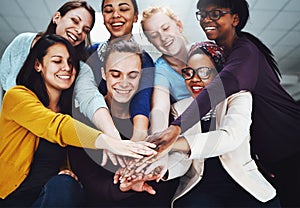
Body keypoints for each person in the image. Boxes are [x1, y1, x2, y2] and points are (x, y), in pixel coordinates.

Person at [146, 0, 300, 207]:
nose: (207, 19)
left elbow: (220, 91)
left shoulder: (245, 53)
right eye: (202, 14)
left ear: (235, 19)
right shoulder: (224, 52)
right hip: (271, 154)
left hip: (291, 143)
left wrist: (175, 129)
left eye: (216, 13)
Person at [0, 34, 156, 207]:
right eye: (57, 61)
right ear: (38, 65)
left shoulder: (71, 111)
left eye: (70, 61)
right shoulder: (16, 96)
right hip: (12, 197)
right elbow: (56, 126)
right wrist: (109, 141)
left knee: (67, 185)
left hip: (49, 196)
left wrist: (63, 169)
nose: (66, 67)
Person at [0, 0, 122, 159]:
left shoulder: (80, 69)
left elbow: (91, 99)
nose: (79, 31)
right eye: (75, 21)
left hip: (51, 145)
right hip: (17, 140)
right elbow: (7, 85)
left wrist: (113, 137)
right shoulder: (23, 43)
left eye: (86, 30)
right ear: (56, 17)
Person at [69, 40, 178, 207]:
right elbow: (89, 183)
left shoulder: (157, 120)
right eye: (115, 74)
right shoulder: (83, 120)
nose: (124, 82)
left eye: (132, 75)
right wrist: (122, 187)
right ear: (104, 74)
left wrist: (145, 178)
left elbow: (168, 182)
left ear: (141, 75)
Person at [86, 0, 154, 141]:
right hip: (94, 130)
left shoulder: (145, 60)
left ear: (135, 16)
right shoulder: (89, 54)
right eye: (109, 10)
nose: (115, 15)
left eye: (123, 9)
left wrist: (139, 134)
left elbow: (142, 98)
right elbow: (84, 92)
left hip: (129, 130)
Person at [140, 6, 191, 134]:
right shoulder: (160, 70)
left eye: (166, 28)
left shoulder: (205, 53)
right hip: (191, 127)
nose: (163, 38)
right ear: (151, 42)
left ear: (179, 25)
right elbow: (160, 108)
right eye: (154, 35)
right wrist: (158, 138)